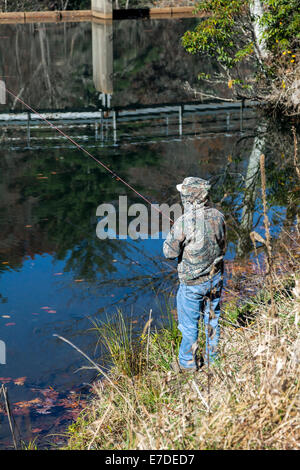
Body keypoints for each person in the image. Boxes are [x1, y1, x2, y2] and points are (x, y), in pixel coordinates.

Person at [163, 177, 226, 371]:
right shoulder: (218, 216)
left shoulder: (183, 222)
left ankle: (187, 364)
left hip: (192, 284)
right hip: (216, 278)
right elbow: (222, 245)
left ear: (188, 197)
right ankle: (213, 361)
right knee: (213, 320)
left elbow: (169, 253)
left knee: (189, 325)